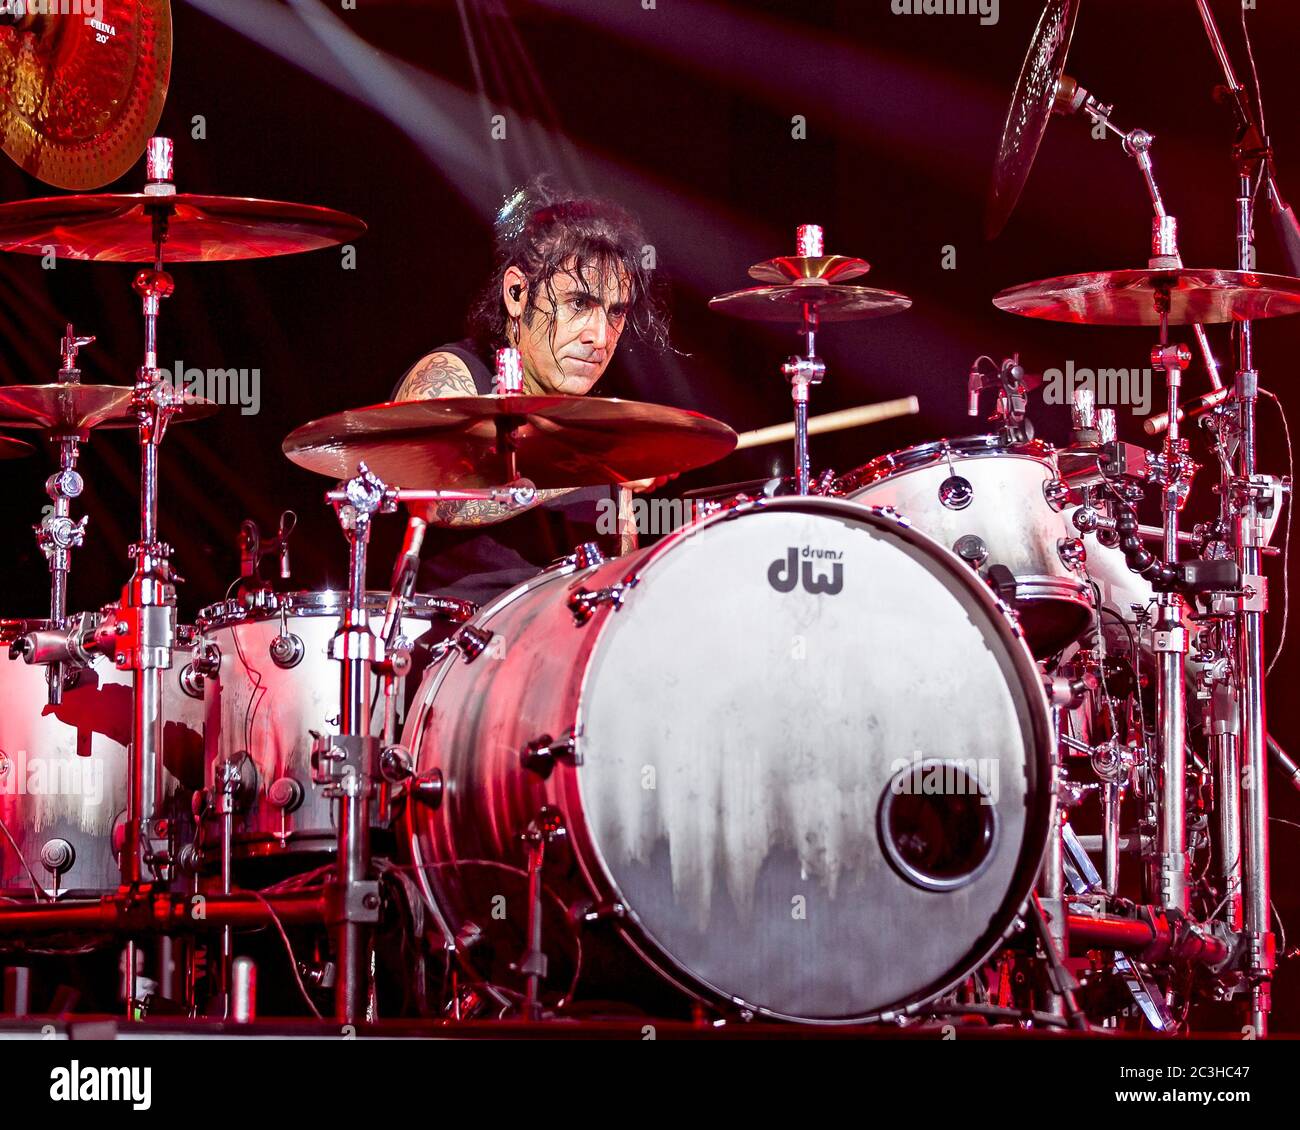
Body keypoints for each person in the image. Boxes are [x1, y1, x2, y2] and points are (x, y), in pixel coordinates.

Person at [391, 180, 672, 606]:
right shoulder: (454, 374)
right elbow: (434, 501)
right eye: (580, 303)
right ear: (517, 293)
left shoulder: (598, 423)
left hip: (566, 645)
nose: (600, 337)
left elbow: (616, 578)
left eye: (615, 312)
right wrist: (594, 463)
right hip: (461, 649)